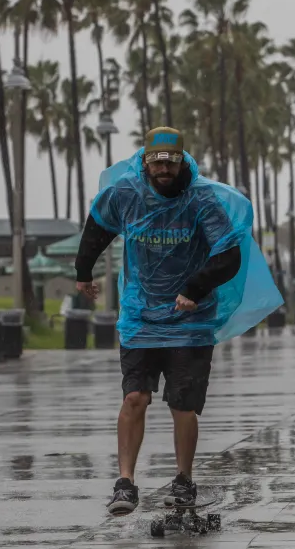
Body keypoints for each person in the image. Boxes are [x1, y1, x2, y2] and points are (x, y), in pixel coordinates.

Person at [74, 127, 250, 515]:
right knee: (135, 397)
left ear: (181, 159)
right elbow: (96, 229)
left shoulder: (201, 199)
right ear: (147, 160)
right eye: (157, 161)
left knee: (182, 405)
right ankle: (125, 484)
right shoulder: (126, 193)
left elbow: (228, 255)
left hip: (190, 319)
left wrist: (195, 287)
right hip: (140, 317)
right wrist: (83, 271)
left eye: (171, 160)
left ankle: (184, 480)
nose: (164, 167)